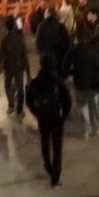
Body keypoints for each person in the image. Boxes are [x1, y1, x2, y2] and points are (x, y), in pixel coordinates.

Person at [26, 53, 72, 186]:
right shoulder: (58, 82)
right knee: (57, 148)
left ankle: (48, 165)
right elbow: (67, 101)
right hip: (57, 118)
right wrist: (64, 116)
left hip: (43, 118)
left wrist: (36, 112)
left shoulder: (36, 82)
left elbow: (29, 100)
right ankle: (55, 177)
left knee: (45, 143)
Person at [63, 33, 99, 137]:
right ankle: (98, 128)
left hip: (80, 83)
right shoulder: (93, 50)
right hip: (93, 83)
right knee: (94, 106)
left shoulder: (73, 51)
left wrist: (72, 72)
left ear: (76, 39)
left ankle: (86, 130)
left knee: (83, 107)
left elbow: (65, 67)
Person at [0, 17, 29, 118]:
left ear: (6, 27)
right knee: (20, 88)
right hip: (19, 66)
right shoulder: (19, 38)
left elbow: (0, 55)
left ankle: (11, 104)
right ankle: (19, 110)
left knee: (7, 86)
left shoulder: (4, 40)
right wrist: (28, 71)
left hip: (8, 67)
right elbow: (24, 54)